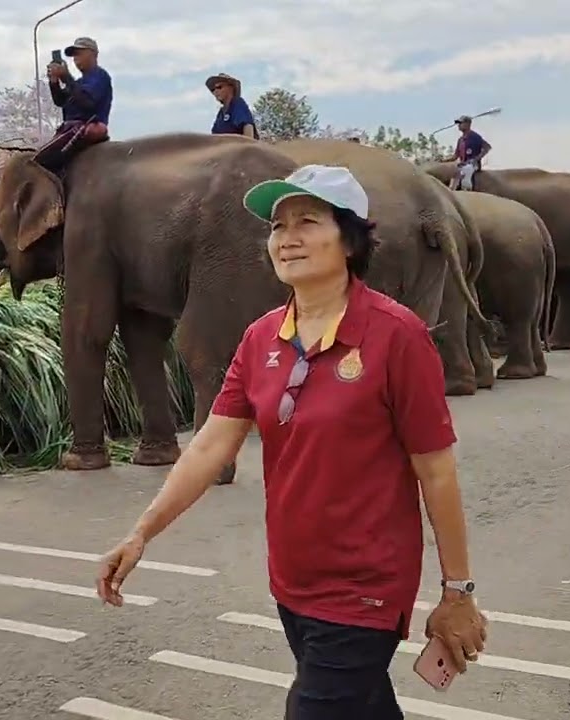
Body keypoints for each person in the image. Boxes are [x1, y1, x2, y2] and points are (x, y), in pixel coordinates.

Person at [96, 164, 487, 719]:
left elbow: (436, 471)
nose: (288, 238)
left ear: (349, 239)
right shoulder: (261, 338)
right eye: (278, 227)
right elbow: (211, 446)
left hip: (366, 586)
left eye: (308, 221)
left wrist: (458, 591)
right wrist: (140, 534)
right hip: (294, 580)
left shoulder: (396, 335)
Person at [39, 37, 112, 171]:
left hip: (86, 127)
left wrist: (66, 77)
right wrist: (54, 82)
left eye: (79, 53)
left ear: (93, 54)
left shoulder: (100, 76)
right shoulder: (77, 83)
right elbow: (60, 101)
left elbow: (87, 102)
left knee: (43, 160)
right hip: (68, 128)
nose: (75, 58)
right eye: (73, 55)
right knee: (42, 157)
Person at [441, 115, 491, 191]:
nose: (459, 125)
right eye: (458, 124)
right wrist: (444, 161)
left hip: (473, 165)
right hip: (462, 164)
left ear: (468, 124)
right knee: (453, 173)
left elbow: (487, 147)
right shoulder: (460, 140)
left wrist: (476, 159)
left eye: (461, 123)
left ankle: (467, 190)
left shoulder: (475, 137)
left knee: (467, 170)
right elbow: (455, 156)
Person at [206, 73, 257, 139]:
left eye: (219, 87)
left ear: (231, 87)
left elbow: (248, 127)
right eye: (213, 90)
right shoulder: (221, 113)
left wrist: (248, 147)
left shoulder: (238, 104)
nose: (215, 91)